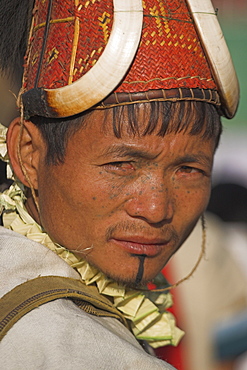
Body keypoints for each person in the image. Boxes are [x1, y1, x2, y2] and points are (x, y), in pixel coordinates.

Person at [0, 0, 239, 369]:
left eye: (189, 170)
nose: (157, 209)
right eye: (121, 165)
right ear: (28, 154)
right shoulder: (73, 350)